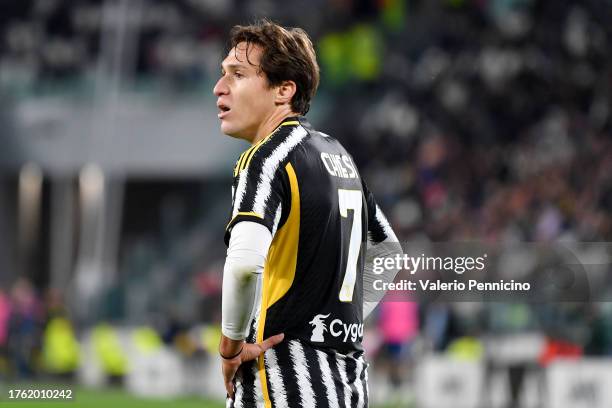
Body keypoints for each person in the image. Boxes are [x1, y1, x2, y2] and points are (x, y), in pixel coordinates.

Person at [214, 19, 401, 407]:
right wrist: (336, 324)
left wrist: (231, 346)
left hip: (281, 380)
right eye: (222, 74)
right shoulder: (338, 156)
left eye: (238, 74)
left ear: (284, 90)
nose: (220, 87)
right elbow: (388, 253)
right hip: (347, 383)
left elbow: (244, 264)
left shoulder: (264, 159)